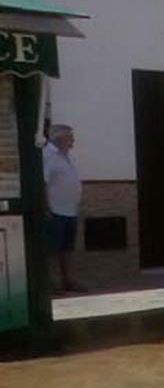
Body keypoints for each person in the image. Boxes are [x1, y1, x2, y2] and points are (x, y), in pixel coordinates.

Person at [43, 124, 84, 293]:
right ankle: (48, 283)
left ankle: (67, 281)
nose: (73, 140)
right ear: (59, 138)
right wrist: (46, 207)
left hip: (70, 211)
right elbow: (43, 183)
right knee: (52, 249)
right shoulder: (48, 156)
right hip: (55, 211)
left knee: (67, 249)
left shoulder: (67, 156)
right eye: (69, 137)